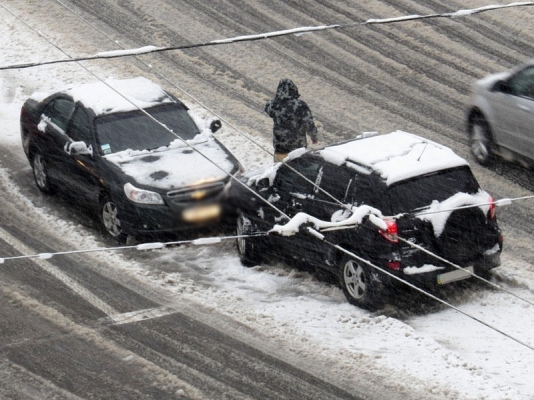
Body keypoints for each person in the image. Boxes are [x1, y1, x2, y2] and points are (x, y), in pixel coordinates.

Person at [265, 79, 318, 162]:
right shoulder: (301, 105)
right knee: (297, 171)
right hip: (298, 148)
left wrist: (278, 99)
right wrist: (314, 136)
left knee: (281, 171)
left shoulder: (274, 105)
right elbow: (309, 123)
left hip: (280, 148)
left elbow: (267, 108)